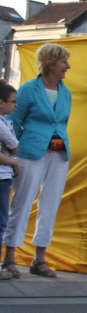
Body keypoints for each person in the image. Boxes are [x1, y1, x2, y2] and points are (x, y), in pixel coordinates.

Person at [2, 43, 73, 279]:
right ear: (51, 62)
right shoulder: (28, 89)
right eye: (64, 62)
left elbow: (62, 122)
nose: (67, 67)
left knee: (50, 206)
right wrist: (22, 145)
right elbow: (14, 121)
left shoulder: (66, 92)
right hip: (31, 153)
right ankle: (9, 257)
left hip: (59, 154)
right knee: (21, 204)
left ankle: (39, 258)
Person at [0, 82, 20, 281]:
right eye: (13, 102)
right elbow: (14, 146)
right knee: (1, 223)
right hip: (2, 177)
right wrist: (14, 162)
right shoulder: (1, 123)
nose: (15, 106)